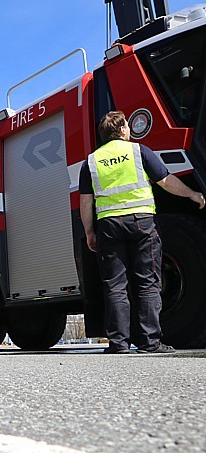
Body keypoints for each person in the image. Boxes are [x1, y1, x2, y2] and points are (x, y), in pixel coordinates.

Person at [79, 110, 206, 354]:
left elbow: (86, 202)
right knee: (147, 282)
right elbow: (166, 181)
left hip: (109, 226)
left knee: (115, 285)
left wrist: (89, 232)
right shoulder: (138, 151)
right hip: (142, 223)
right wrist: (192, 194)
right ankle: (150, 343)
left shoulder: (91, 161)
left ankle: (119, 343)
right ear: (123, 130)